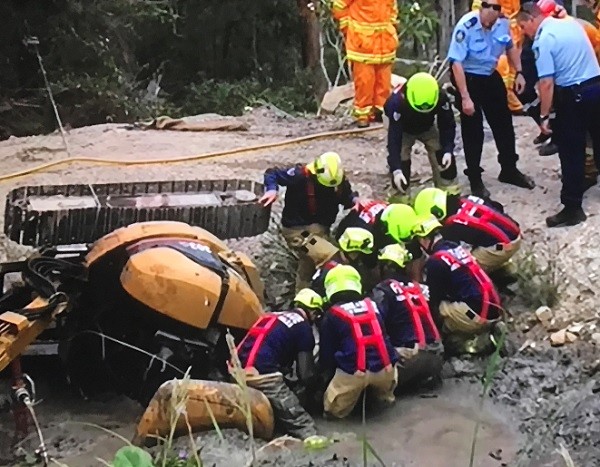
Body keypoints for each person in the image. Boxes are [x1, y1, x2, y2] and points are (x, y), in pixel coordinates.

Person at [517, 3, 600, 227]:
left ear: (532, 20)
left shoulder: (544, 40)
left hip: (574, 96)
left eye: (524, 27)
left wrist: (544, 117)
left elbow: (546, 83)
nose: (526, 33)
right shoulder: (569, 24)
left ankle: (573, 208)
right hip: (596, 87)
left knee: (571, 152)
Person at [447, 0, 535, 198]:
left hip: (489, 73)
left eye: (496, 8)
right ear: (481, 7)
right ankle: (475, 179)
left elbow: (510, 46)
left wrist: (519, 72)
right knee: (473, 129)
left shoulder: (502, 23)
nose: (492, 11)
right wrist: (465, 97)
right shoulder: (466, 26)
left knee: (503, 123)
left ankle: (509, 169)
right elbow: (456, 64)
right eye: (488, 6)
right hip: (467, 76)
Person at [259, 151, 359, 291]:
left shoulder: (337, 180)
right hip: (298, 233)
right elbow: (272, 173)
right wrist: (271, 190)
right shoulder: (300, 176)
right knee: (331, 256)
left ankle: (303, 299)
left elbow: (347, 197)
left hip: (321, 230)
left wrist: (355, 200)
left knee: (308, 267)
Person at [234, 288, 323, 439]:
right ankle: (312, 441)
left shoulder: (270, 316)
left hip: (235, 370)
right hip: (264, 377)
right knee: (303, 424)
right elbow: (306, 375)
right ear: (312, 312)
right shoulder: (303, 327)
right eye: (317, 314)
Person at [410, 215, 504, 356]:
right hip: (493, 305)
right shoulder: (455, 248)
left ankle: (458, 343)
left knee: (434, 309)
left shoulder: (436, 262)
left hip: (475, 314)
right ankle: (490, 327)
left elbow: (432, 298)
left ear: (424, 239)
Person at [318, 264, 398, 418]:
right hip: (386, 369)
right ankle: (383, 399)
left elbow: (326, 355)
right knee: (385, 408)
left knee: (333, 414)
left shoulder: (332, 315)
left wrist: (323, 381)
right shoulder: (373, 306)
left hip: (353, 373)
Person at [369, 244, 444, 393]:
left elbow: (375, 325)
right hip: (437, 356)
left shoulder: (383, 290)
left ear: (384, 267)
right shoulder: (420, 288)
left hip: (409, 358)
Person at [413, 187, 521, 283]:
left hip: (500, 247)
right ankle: (501, 266)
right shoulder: (467, 198)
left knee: (463, 268)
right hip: (513, 235)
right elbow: (497, 207)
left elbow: (453, 252)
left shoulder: (452, 225)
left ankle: (492, 284)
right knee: (482, 247)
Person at [383, 71, 460, 204]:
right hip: (403, 128)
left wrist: (448, 150)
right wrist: (396, 169)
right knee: (401, 159)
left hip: (427, 126)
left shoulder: (440, 96)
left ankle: (448, 192)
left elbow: (447, 125)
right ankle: (400, 198)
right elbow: (394, 139)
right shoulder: (396, 103)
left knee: (441, 153)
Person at [331, 0, 399, 127]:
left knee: (384, 80)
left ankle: (381, 110)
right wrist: (347, 27)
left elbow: (393, 8)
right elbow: (339, 5)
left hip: (384, 42)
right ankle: (363, 115)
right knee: (364, 81)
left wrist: (391, 25)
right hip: (362, 42)